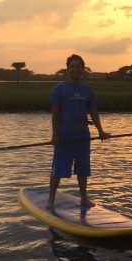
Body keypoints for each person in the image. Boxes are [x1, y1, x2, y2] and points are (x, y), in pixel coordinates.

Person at [46, 54, 111, 211]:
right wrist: (55, 135)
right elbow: (55, 114)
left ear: (83, 70)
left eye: (78, 67)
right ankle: (51, 199)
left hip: (82, 136)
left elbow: (93, 112)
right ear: (68, 69)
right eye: (72, 66)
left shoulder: (87, 90)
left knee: (83, 168)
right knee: (58, 168)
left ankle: (83, 197)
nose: (75, 69)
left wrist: (101, 131)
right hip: (64, 136)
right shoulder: (59, 89)